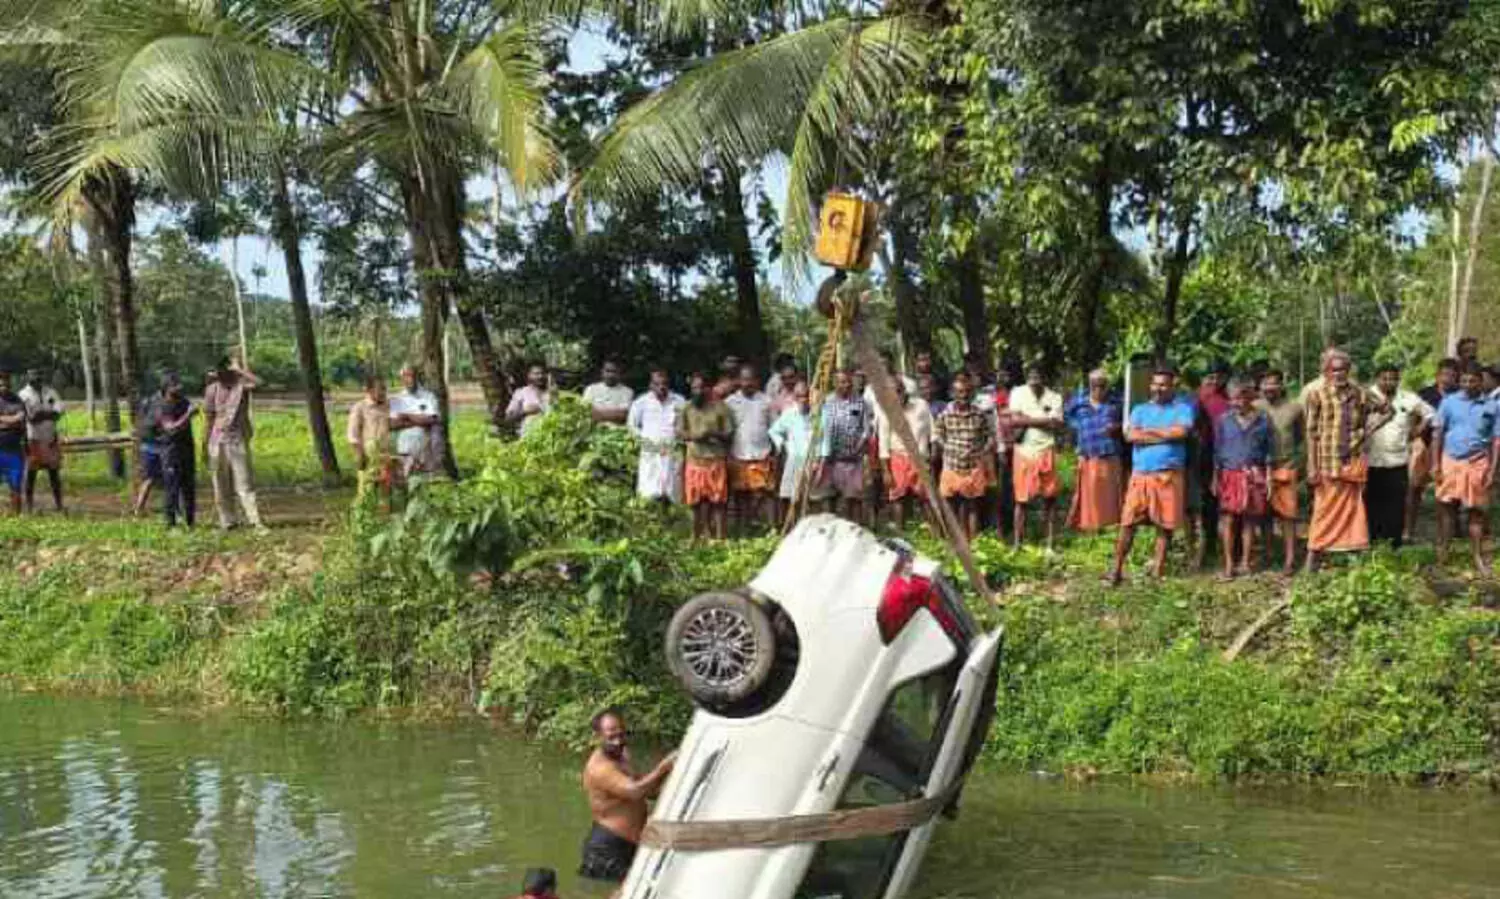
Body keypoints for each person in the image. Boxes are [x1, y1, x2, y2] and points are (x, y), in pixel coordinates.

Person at [1107, 368, 1193, 585]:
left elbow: (1182, 432)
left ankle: (1158, 571)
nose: (1158, 388)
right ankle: (1116, 570)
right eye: (1155, 384)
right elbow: (1131, 435)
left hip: (1168, 475)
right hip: (1141, 474)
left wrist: (1149, 433)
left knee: (1165, 524)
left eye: (1163, 384)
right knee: (1128, 522)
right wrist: (1165, 434)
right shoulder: (1140, 409)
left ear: (1173, 386)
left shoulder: (1183, 408)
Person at [1303, 349, 1383, 572]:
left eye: (1343, 369)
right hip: (1327, 462)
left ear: (1349, 371)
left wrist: (1368, 431)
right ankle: (1313, 558)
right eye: (1334, 369)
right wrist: (1311, 465)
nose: (1339, 373)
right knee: (1323, 510)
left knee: (1354, 509)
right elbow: (1311, 432)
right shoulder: (1316, 395)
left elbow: (1388, 410)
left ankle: (1355, 559)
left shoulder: (1360, 393)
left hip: (1353, 462)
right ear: (1326, 371)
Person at [580, 709, 676, 889]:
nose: (618, 741)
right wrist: (664, 767)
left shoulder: (622, 755)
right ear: (598, 736)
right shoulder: (599, 768)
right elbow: (635, 791)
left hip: (631, 844)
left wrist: (670, 790)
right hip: (608, 850)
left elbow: (643, 786)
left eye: (621, 734)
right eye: (611, 736)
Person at [1432, 364, 1499, 572]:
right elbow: (1438, 434)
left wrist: (1493, 470)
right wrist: (1435, 463)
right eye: (1464, 381)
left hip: (1478, 462)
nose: (1468, 385)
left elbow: (1496, 440)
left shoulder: (1492, 406)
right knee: (1446, 511)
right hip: (1451, 461)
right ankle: (1442, 555)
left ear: (1482, 381)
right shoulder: (1449, 402)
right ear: (1459, 381)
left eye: (1473, 381)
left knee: (1476, 511)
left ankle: (1477, 556)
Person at [1365, 363, 1431, 549]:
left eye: (1393, 378)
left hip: (1398, 461)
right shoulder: (1366, 397)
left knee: (1396, 506)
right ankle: (1372, 544)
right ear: (1376, 379)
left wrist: (1417, 431)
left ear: (1398, 380)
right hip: (1371, 461)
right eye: (1384, 378)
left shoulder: (1408, 398)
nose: (1388, 382)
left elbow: (1431, 414)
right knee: (1372, 504)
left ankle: (1394, 546)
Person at [1213, 378, 1271, 578]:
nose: (1238, 402)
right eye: (1233, 399)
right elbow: (1217, 451)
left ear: (1250, 397)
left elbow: (1268, 451)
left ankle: (1245, 563)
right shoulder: (1223, 420)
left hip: (1253, 474)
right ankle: (1229, 564)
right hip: (1229, 474)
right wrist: (1215, 478)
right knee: (1228, 519)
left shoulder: (1262, 420)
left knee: (1249, 520)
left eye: (1241, 397)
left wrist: (1267, 477)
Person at [202, 354, 265, 533]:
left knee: (244, 482)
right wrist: (204, 445)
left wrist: (239, 369)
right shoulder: (212, 389)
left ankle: (254, 521)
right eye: (218, 373)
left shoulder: (241, 388)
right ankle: (228, 521)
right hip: (216, 441)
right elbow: (208, 419)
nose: (221, 376)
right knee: (220, 483)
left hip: (237, 440)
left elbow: (260, 383)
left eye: (225, 372)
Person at [1007, 364, 1065, 549]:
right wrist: (1045, 420)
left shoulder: (1054, 397)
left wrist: (1027, 418)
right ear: (1026, 376)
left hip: (1046, 450)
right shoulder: (1017, 393)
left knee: (1050, 498)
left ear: (1044, 376)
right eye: (1031, 373)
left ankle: (1049, 545)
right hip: (1023, 451)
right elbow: (1014, 421)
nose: (1035, 376)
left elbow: (1057, 426)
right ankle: (1017, 544)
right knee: (1021, 500)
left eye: (1038, 373)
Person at [934, 374, 995, 539]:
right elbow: (938, 435)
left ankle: (973, 544)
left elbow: (989, 437)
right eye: (959, 392)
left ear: (972, 393)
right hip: (951, 464)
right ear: (953, 393)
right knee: (951, 505)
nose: (963, 395)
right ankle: (956, 542)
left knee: (972, 506)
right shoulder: (945, 413)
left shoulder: (979, 414)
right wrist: (948, 448)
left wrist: (980, 451)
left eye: (967, 392)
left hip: (973, 466)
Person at [1065, 368, 1124, 533]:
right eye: (1095, 385)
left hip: (1110, 452)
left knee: (1110, 493)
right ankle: (1091, 528)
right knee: (1089, 494)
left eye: (1102, 385)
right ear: (1089, 385)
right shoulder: (1079, 401)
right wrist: (1080, 428)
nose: (1098, 389)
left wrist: (1117, 427)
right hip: (1088, 454)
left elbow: (1128, 422)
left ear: (1107, 385)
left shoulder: (1117, 402)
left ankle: (1112, 526)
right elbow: (1067, 416)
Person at [1257, 370, 1304, 573]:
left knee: (1288, 515)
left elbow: (1302, 437)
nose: (1269, 388)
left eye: (1273, 384)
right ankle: (1267, 554)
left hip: (1285, 466)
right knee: (1263, 514)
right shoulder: (1255, 407)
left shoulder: (1295, 408)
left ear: (1282, 385)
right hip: (1259, 469)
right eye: (1265, 384)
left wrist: (1298, 465)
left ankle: (1290, 559)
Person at [677, 372, 734, 540]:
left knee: (718, 502)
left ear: (708, 388)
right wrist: (695, 436)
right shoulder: (686, 408)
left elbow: (729, 432)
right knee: (695, 502)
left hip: (715, 460)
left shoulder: (721, 407)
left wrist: (713, 433)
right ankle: (695, 537)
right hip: (694, 460)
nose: (698, 391)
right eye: (695, 388)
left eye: (702, 387)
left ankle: (720, 538)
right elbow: (679, 431)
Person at [1410, 357, 1461, 540]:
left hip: (1449, 448)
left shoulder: (1460, 395)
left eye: (1452, 375)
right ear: (1437, 375)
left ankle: (1449, 532)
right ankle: (1408, 530)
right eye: (1445, 374)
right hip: (1424, 445)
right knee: (1415, 487)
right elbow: (1414, 420)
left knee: (1448, 491)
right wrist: (1416, 440)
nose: (1447, 379)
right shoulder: (1424, 394)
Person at [812, 369, 871, 523]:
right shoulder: (827, 402)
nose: (847, 385)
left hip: (853, 459)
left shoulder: (860, 402)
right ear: (835, 383)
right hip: (831, 459)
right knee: (828, 497)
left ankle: (855, 529)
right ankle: (829, 528)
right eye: (843, 382)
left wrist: (858, 448)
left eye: (849, 381)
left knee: (854, 498)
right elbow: (821, 428)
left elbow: (866, 430)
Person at [725, 365, 777, 532]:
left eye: (751, 379)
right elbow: (727, 430)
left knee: (767, 494)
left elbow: (774, 428)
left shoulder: (766, 401)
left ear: (756, 381)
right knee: (741, 496)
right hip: (739, 455)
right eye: (744, 379)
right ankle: (743, 530)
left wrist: (774, 453)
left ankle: (771, 529)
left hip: (762, 454)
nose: (747, 383)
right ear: (739, 381)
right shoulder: (730, 402)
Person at [878, 378, 934, 530]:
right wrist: (886, 471)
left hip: (920, 457)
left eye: (898, 391)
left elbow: (933, 434)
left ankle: (935, 536)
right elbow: (883, 444)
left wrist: (932, 460)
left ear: (904, 391)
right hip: (898, 458)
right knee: (898, 499)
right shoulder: (886, 411)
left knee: (925, 499)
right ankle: (901, 535)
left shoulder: (921, 405)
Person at [626, 368, 685, 504]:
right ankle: (648, 520)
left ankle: (672, 520)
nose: (661, 387)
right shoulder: (641, 402)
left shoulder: (679, 401)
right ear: (650, 385)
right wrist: (647, 441)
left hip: (672, 450)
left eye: (664, 383)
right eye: (657, 384)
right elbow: (631, 426)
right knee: (648, 490)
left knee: (672, 490)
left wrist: (679, 438)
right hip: (650, 450)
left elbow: (686, 424)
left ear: (668, 384)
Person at [1193, 362, 1232, 568]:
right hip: (1207, 455)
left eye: (1219, 376)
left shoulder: (1233, 397)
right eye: (1211, 376)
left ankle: (1233, 548)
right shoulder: (1200, 396)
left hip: (1232, 455)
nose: (1215, 380)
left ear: (1226, 378)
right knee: (1208, 501)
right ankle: (1209, 545)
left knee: (1232, 501)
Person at [153, 373, 198, 527]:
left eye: (179, 384)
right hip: (171, 452)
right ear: (166, 388)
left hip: (187, 450)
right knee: (172, 488)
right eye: (175, 385)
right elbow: (170, 428)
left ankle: (190, 522)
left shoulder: (183, 401)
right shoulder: (162, 406)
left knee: (189, 488)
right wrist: (189, 415)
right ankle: (170, 523)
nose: (179, 387)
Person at [18, 369, 64, 513]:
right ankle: (30, 506)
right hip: (33, 439)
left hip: (50, 438)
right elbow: (31, 418)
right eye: (34, 376)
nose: (37, 378)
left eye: (39, 375)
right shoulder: (23, 395)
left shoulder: (50, 392)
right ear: (28, 378)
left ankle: (59, 505)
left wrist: (42, 414)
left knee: (54, 473)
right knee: (32, 473)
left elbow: (58, 412)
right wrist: (47, 414)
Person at [769, 381, 814, 524]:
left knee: (810, 498)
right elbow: (774, 431)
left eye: (806, 396)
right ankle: (790, 526)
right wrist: (782, 445)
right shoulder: (789, 413)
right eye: (799, 396)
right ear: (795, 397)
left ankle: (808, 526)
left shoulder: (817, 414)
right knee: (790, 496)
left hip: (811, 461)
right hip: (793, 460)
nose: (803, 400)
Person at [348, 376, 395, 502]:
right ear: (369, 390)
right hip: (368, 457)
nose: (383, 392)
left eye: (385, 389)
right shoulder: (360, 407)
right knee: (366, 492)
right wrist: (359, 454)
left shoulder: (389, 406)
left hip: (386, 457)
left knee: (385, 493)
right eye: (380, 389)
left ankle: (383, 517)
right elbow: (353, 435)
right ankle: (364, 517)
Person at [391, 366, 442, 478]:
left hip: (425, 448)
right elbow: (393, 424)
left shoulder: (428, 397)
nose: (409, 379)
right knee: (405, 480)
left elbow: (432, 419)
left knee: (425, 480)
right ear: (401, 379)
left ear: (417, 377)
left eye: (412, 376)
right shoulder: (397, 399)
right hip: (404, 448)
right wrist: (419, 420)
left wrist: (407, 416)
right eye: (406, 376)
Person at [0, 371, 26, 515]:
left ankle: (16, 515)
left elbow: (21, 421)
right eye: (1, 383)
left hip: (15, 449)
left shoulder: (17, 400)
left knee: (15, 484)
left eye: (5, 383)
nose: (3, 386)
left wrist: (3, 420)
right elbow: (16, 420)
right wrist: (12, 420)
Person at [506, 363, 553, 436]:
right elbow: (509, 417)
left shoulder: (552, 394)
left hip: (551, 435)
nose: (540, 376)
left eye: (543, 373)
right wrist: (524, 411)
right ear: (529, 375)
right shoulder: (521, 393)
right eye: (536, 374)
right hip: (529, 437)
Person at [583, 359, 634, 425]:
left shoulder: (627, 392)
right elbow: (586, 412)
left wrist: (597, 413)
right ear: (602, 372)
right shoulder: (591, 389)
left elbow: (623, 415)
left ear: (620, 373)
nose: (610, 375)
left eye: (614, 371)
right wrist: (614, 413)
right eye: (608, 371)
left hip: (617, 431)